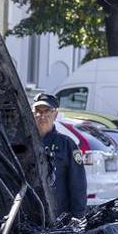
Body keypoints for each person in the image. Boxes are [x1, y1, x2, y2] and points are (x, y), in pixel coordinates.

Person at [32, 92, 86, 220]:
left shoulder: (67, 145)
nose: (42, 115)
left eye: (47, 111)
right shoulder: (24, 143)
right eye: (38, 111)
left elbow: (78, 184)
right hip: (28, 217)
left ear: (55, 114)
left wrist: (78, 217)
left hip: (58, 218)